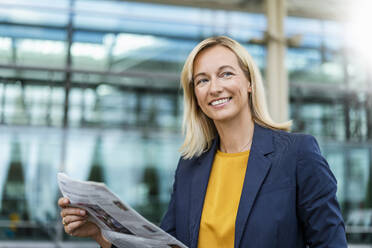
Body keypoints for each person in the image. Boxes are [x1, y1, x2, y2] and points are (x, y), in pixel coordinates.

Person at [58, 36, 348, 247]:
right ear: (195, 95)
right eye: (202, 80)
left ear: (248, 83)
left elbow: (330, 243)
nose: (215, 87)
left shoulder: (297, 154)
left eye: (226, 74)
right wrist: (102, 234)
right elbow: (163, 245)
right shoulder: (190, 167)